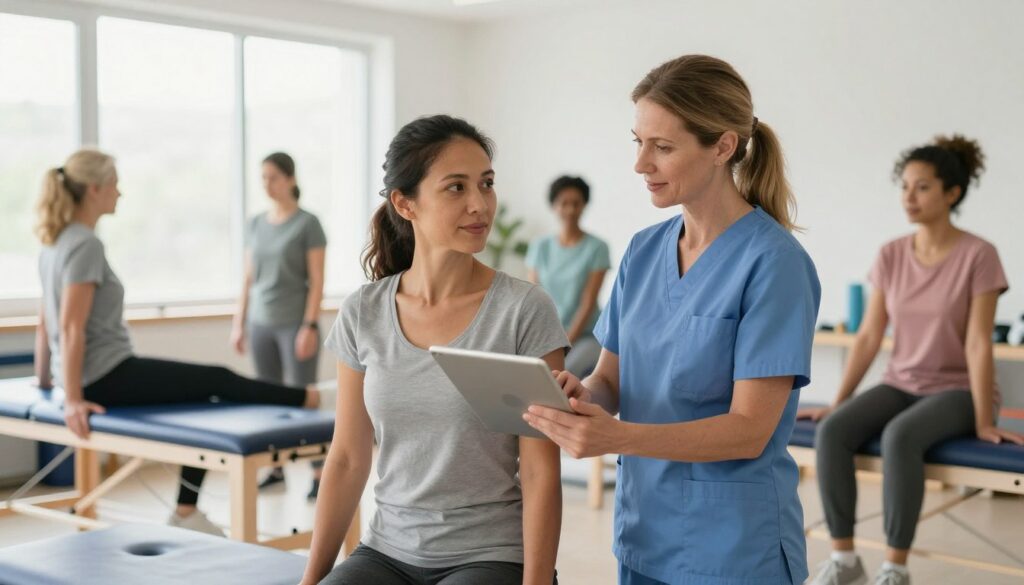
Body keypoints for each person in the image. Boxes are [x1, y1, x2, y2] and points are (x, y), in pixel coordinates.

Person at [523, 55, 819, 585]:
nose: (641, 164)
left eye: (662, 147)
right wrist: (580, 397)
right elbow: (611, 378)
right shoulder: (642, 252)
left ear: (723, 147)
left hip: (732, 545)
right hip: (644, 532)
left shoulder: (775, 265)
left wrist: (616, 438)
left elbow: (750, 431)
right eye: (637, 142)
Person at [300, 115, 565, 585]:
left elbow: (541, 471)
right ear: (405, 204)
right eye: (456, 188)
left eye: (486, 184)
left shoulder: (523, 310)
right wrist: (312, 579)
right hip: (386, 550)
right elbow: (346, 458)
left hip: (490, 554)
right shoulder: (364, 311)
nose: (480, 205)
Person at [33, 148, 320, 536]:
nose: (120, 193)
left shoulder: (55, 241)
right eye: (115, 185)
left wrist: (47, 381)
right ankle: (308, 399)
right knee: (216, 379)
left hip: (87, 375)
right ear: (95, 189)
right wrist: (71, 398)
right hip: (104, 376)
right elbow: (70, 327)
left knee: (201, 393)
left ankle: (186, 510)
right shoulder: (85, 244)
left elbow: (44, 323)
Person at [801, 135, 1023, 585]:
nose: (909, 197)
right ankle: (845, 560)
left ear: (952, 194)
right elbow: (867, 338)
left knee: (901, 437)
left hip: (958, 390)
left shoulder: (979, 255)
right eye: (904, 186)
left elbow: (979, 344)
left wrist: (984, 421)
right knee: (835, 431)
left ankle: (894, 568)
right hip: (901, 381)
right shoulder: (891, 254)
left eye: (922, 187)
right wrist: (839, 401)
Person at [231, 152, 327, 499]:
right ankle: (275, 469)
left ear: (289, 179)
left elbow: (317, 281)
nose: (266, 184)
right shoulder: (255, 224)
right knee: (268, 398)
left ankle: (318, 472)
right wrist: (238, 323)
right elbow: (247, 278)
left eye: (272, 177)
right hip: (260, 322)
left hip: (294, 323)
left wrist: (310, 325)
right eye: (263, 177)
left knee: (302, 397)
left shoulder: (307, 224)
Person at [526, 175, 611, 378]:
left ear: (584, 205)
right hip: (546, 336)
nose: (571, 210)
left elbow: (588, 303)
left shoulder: (597, 248)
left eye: (576, 203)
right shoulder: (540, 247)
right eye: (564, 203)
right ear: (554, 206)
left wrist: (564, 344)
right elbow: (533, 297)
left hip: (585, 337)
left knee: (560, 376)